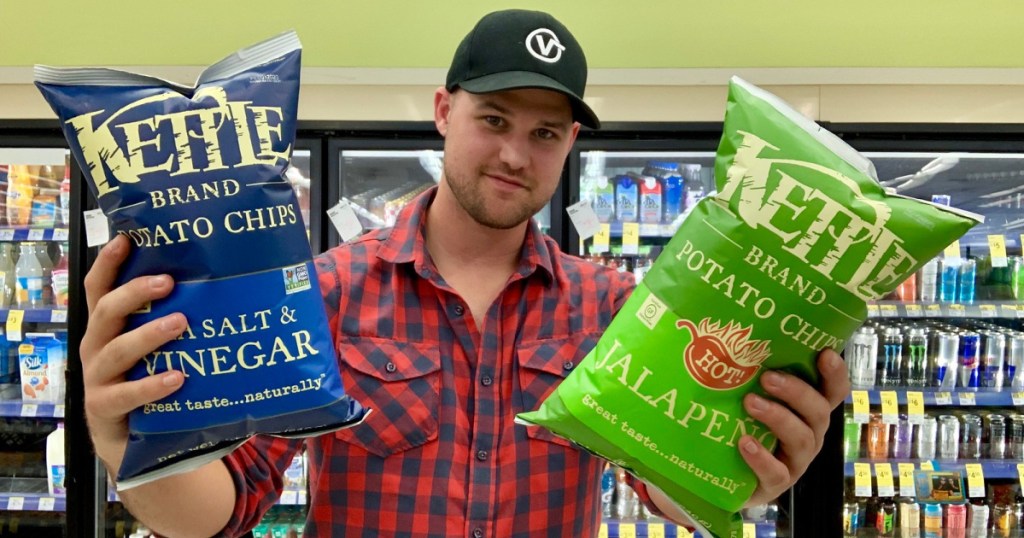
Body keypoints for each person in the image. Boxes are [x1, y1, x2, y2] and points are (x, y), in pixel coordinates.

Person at [81, 9, 851, 537]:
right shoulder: (326, 290)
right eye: (493, 120)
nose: (517, 155)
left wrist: (738, 475)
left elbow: (664, 488)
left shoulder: (618, 308)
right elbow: (225, 508)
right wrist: (131, 444)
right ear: (444, 110)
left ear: (571, 142)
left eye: (545, 132)